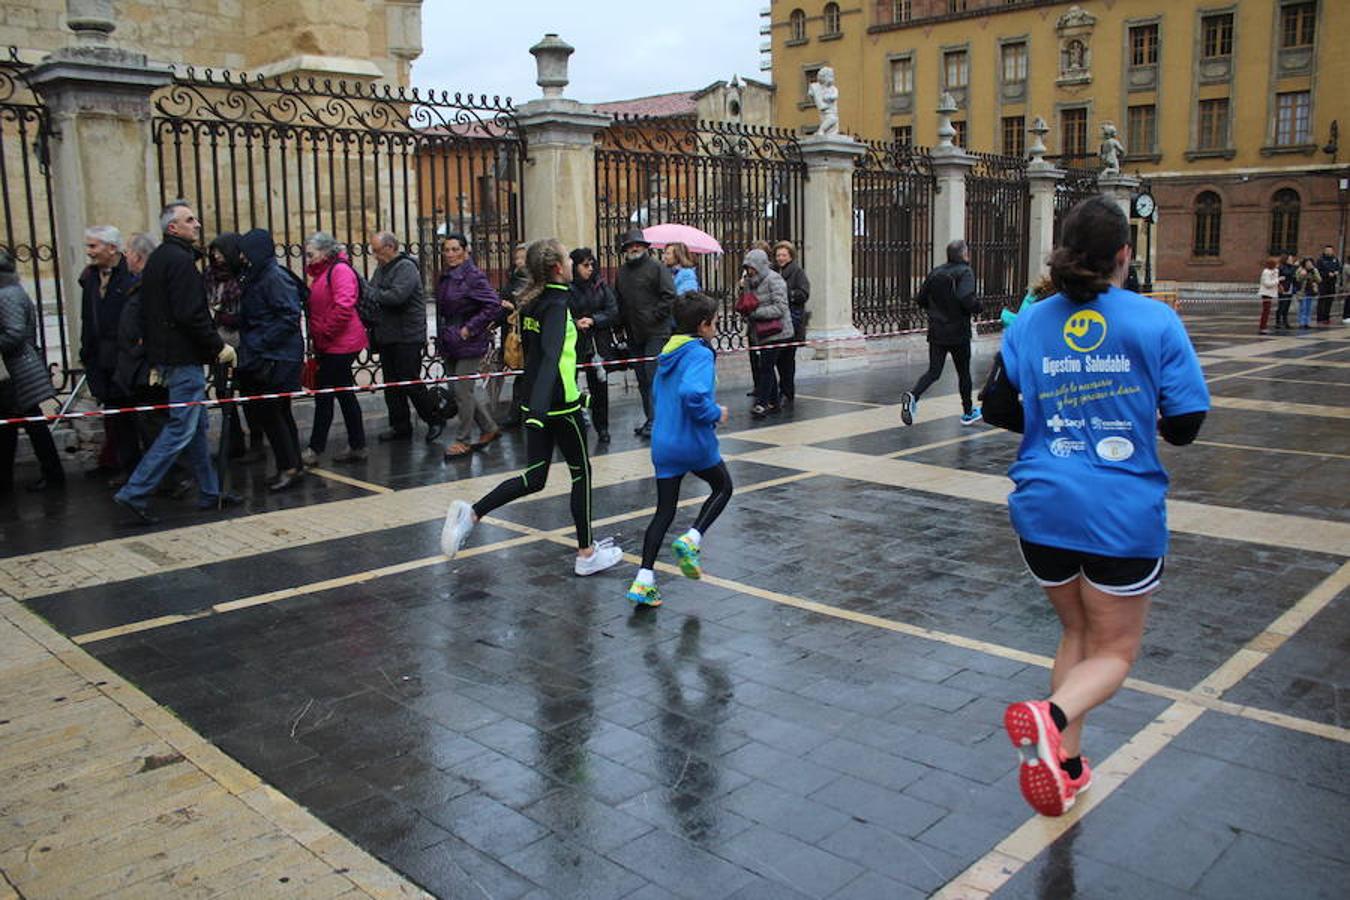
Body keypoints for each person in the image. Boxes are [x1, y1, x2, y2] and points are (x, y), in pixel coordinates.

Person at [983, 195, 1209, 818]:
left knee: (1076, 631)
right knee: (1115, 651)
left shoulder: (1029, 321)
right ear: (1124, 256)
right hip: (1120, 509)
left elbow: (998, 407)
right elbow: (1187, 422)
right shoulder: (1155, 320)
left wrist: (1056, 418)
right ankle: (1048, 715)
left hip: (1043, 504)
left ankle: (1070, 764)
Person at [440, 238, 623, 577]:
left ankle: (473, 514)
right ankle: (586, 554)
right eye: (568, 259)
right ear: (557, 267)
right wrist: (542, 408)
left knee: (535, 477)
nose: (571, 263)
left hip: (537, 406)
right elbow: (552, 356)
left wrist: (532, 408)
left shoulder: (533, 303)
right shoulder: (556, 304)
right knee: (581, 474)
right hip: (560, 407)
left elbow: (535, 356)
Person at [113, 200, 237, 523]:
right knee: (181, 429)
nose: (197, 224)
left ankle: (210, 491)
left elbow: (155, 314)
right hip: (183, 359)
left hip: (169, 358)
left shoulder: (159, 261)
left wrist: (156, 358)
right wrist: (217, 346)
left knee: (195, 428)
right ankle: (135, 491)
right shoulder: (180, 263)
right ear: (173, 228)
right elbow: (189, 314)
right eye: (189, 220)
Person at [626, 292, 733, 607]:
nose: (716, 327)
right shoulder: (700, 353)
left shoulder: (667, 350)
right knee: (723, 487)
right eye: (714, 322)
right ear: (702, 326)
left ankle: (643, 581)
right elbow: (692, 394)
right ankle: (692, 538)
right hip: (692, 441)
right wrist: (715, 413)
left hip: (664, 442)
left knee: (664, 512)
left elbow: (663, 395)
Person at [235, 229, 306, 491]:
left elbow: (288, 315)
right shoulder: (258, 276)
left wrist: (260, 343)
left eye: (245, 250)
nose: (241, 256)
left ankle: (289, 467)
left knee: (274, 413)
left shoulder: (273, 277)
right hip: (272, 354)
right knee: (279, 414)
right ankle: (291, 465)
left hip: (277, 357)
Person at [368, 231, 443, 444]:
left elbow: (396, 296)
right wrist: (376, 292)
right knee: (392, 385)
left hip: (407, 336)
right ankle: (400, 426)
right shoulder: (382, 269)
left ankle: (434, 419)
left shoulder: (406, 267)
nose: (375, 255)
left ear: (391, 247)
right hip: (387, 335)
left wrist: (375, 293)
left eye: (377, 250)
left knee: (410, 381)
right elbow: (374, 290)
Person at [0, 248, 65, 494]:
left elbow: (15, 333)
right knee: (17, 423)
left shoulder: (6, 295)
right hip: (18, 368)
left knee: (28, 424)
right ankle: (47, 474)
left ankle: (52, 475)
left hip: (17, 370)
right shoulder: (10, 291)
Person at [78, 225, 139, 480]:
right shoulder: (90, 278)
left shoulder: (130, 279)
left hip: (123, 359)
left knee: (128, 417)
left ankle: (133, 468)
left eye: (94, 246)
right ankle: (118, 463)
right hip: (98, 359)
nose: (89, 252)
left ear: (112, 248)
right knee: (113, 415)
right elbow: (87, 318)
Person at [301, 231, 367, 465]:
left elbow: (343, 306)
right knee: (342, 393)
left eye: (311, 254)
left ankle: (315, 449)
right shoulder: (323, 272)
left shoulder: (339, 270)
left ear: (325, 251)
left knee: (326, 395)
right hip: (331, 343)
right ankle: (357, 444)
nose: (307, 260)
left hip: (340, 343)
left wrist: (324, 332)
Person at [901, 239, 981, 427]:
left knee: (934, 371)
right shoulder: (965, 272)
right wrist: (978, 307)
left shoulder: (936, 273)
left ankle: (913, 395)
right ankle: (968, 412)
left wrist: (936, 312)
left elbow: (921, 298)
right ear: (964, 254)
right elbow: (965, 298)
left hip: (937, 331)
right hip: (958, 331)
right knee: (963, 373)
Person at [435, 232, 501, 458]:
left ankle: (463, 440)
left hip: (469, 341)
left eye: (455, 249)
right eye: (447, 250)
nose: (451, 254)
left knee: (462, 391)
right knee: (458, 390)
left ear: (465, 251)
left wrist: (470, 328)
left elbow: (493, 305)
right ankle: (489, 427)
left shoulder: (473, 276)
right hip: (451, 339)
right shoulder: (447, 275)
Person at [206, 232, 264, 461]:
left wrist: (225, 316)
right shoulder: (210, 277)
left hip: (242, 342)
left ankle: (257, 443)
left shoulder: (243, 277)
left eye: (221, 252)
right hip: (219, 343)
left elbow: (250, 311)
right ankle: (233, 441)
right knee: (223, 392)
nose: (217, 257)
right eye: (214, 253)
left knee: (250, 393)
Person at [615, 228, 676, 438]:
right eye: (630, 245)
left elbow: (669, 296)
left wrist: (654, 316)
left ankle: (659, 420)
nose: (634, 248)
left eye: (638, 245)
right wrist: (619, 328)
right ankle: (651, 418)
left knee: (653, 376)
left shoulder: (657, 268)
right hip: (634, 333)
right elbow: (619, 301)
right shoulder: (622, 272)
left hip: (656, 332)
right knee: (641, 378)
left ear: (644, 247)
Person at [568, 247, 620, 445]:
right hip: (574, 345)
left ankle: (603, 428)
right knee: (570, 387)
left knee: (600, 388)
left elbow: (613, 311)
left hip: (597, 345)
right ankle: (573, 425)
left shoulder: (600, 285)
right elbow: (561, 314)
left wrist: (594, 320)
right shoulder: (567, 288)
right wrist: (575, 322)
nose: (589, 269)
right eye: (585, 265)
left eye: (592, 264)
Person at [741, 248, 793, 418]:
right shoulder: (749, 281)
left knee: (766, 366)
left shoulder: (774, 280)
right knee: (766, 367)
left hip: (777, 331)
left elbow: (780, 307)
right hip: (760, 331)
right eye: (747, 267)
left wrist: (756, 313)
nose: (749, 271)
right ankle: (774, 402)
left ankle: (763, 403)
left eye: (752, 267)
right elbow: (747, 302)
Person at [491, 242, 530, 428]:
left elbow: (533, 307)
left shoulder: (534, 281)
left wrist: (514, 307)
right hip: (514, 334)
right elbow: (503, 303)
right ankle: (518, 413)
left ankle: (519, 414)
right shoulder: (513, 279)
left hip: (528, 333)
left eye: (522, 258)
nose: (518, 262)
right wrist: (494, 321)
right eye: (516, 258)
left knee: (525, 376)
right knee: (521, 375)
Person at [773, 240, 810, 406]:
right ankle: (781, 390)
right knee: (778, 359)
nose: (780, 258)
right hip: (777, 322)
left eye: (783, 255)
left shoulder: (797, 272)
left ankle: (787, 391)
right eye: (778, 255)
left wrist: (786, 294)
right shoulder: (774, 272)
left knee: (788, 359)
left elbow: (803, 294)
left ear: (790, 256)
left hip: (793, 322)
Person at [1314, 244, 1341, 325]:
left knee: (1329, 300)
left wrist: (1337, 272)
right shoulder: (1320, 260)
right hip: (1323, 283)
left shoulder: (1335, 259)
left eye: (1330, 250)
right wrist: (1327, 274)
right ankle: (1320, 318)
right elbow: (1318, 271)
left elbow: (1339, 268)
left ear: (1332, 251)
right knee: (1322, 301)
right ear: (1324, 251)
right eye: (1327, 250)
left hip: (1332, 283)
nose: (1329, 252)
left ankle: (1326, 318)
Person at [1295, 257, 1320, 330]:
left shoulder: (1314, 270)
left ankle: (1307, 323)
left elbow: (1319, 280)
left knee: (1309, 308)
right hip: (1302, 291)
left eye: (1310, 263)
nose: (1309, 264)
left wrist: (1313, 273)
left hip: (1311, 291)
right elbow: (1297, 279)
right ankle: (1301, 323)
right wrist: (1302, 275)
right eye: (1307, 263)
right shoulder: (1300, 270)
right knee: (1303, 308)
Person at [1258, 257, 1280, 335]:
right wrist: (1277, 280)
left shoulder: (1274, 271)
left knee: (1267, 311)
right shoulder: (1266, 272)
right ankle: (1262, 327)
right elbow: (1267, 284)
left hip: (1270, 293)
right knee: (1266, 311)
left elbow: (1274, 276)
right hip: (1266, 293)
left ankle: (1264, 327)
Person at [1276, 253, 1297, 330]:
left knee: (1287, 306)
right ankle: (1278, 322)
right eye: (1290, 259)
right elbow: (1287, 273)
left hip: (1290, 288)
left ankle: (1285, 321)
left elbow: (1293, 276)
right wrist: (1294, 267)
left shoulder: (1292, 267)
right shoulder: (1282, 267)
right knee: (1281, 306)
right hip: (1283, 288)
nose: (1292, 260)